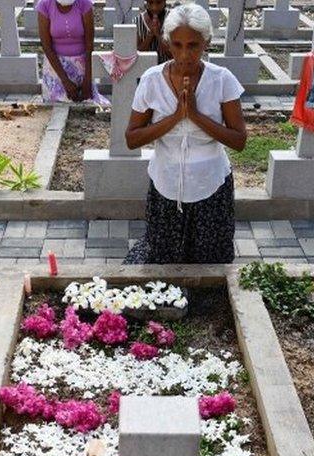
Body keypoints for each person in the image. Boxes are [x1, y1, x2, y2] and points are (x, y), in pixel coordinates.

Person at [123, 1, 247, 265]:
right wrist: (176, 117)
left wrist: (196, 115)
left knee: (210, 261)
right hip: (166, 185)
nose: (184, 54)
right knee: (164, 259)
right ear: (167, 43)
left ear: (206, 43)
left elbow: (239, 140)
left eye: (193, 46)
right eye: (177, 45)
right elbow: (132, 138)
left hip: (211, 186)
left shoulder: (222, 79)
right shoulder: (152, 80)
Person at [37, 0, 107, 104]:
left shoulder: (84, 3)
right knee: (57, 104)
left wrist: (87, 80)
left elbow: (89, 44)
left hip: (82, 65)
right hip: (56, 67)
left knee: (87, 102)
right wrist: (65, 81)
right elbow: (47, 46)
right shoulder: (45, 5)